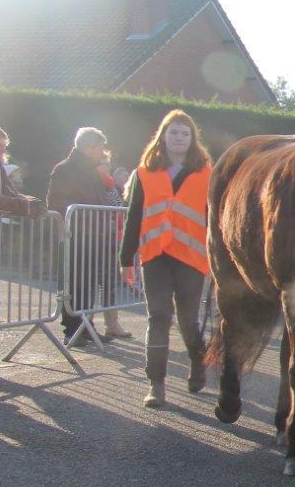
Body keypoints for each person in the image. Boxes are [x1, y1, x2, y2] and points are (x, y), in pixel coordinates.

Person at [118, 111, 212, 408]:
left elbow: (214, 218)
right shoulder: (145, 171)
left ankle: (198, 362)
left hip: (191, 257)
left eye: (185, 133)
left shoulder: (206, 172)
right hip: (155, 255)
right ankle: (155, 384)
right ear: (163, 136)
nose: (179, 138)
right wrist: (125, 259)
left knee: (188, 320)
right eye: (174, 133)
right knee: (158, 316)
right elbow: (134, 215)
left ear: (192, 139)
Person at [47, 127, 114, 345]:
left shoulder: (92, 171)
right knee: (74, 283)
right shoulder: (65, 169)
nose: (103, 153)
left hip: (94, 235)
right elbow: (56, 202)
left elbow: (100, 200)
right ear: (87, 148)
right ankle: (72, 329)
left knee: (89, 283)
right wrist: (71, 227)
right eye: (100, 149)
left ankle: (85, 326)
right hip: (75, 236)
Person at [94, 149, 131, 339]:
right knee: (97, 281)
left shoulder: (109, 184)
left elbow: (119, 207)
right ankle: (94, 323)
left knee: (108, 282)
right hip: (100, 237)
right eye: (105, 163)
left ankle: (112, 323)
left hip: (111, 237)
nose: (108, 167)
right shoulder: (99, 183)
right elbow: (114, 208)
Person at [0, 128, 43, 218]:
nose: (4, 151)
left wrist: (33, 204)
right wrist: (18, 204)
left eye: (5, 146)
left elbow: (11, 192)